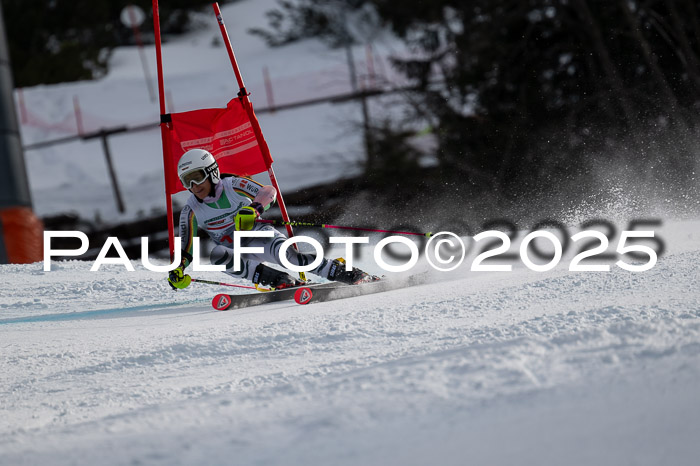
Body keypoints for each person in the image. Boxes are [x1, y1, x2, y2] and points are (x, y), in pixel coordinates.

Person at [167, 148, 375, 290]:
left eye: (198, 176)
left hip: (259, 238)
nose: (194, 185)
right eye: (188, 181)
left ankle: (351, 274)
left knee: (293, 258)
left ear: (211, 172)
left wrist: (254, 209)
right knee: (217, 255)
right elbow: (187, 247)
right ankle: (279, 281)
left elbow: (268, 191)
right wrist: (179, 268)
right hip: (236, 252)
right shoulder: (190, 211)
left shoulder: (232, 184)